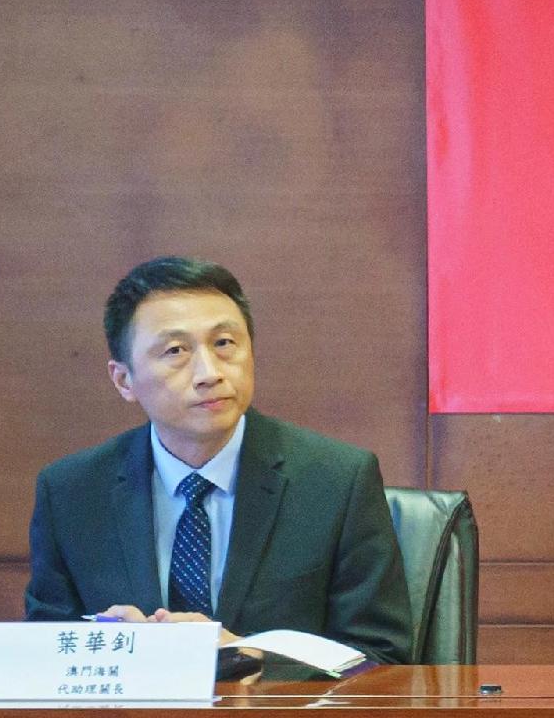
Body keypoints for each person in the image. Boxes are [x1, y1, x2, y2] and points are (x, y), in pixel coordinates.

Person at [22, 256, 416, 662]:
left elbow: (384, 660)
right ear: (124, 380)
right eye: (176, 350)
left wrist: (248, 656)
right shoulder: (72, 493)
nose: (209, 372)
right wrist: (124, 652)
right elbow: (46, 657)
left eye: (224, 344)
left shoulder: (337, 482)